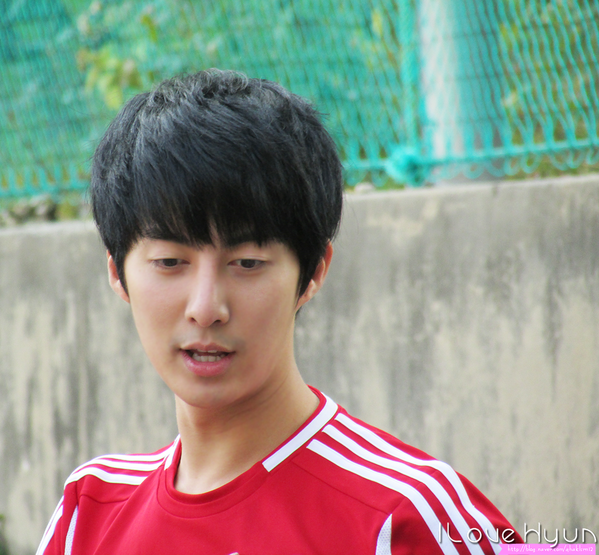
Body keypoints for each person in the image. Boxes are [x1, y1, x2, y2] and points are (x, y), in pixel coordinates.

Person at [36, 69, 520, 555]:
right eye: (169, 262)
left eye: (247, 263)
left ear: (313, 272)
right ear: (116, 271)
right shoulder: (88, 511)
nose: (206, 309)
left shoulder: (410, 518)